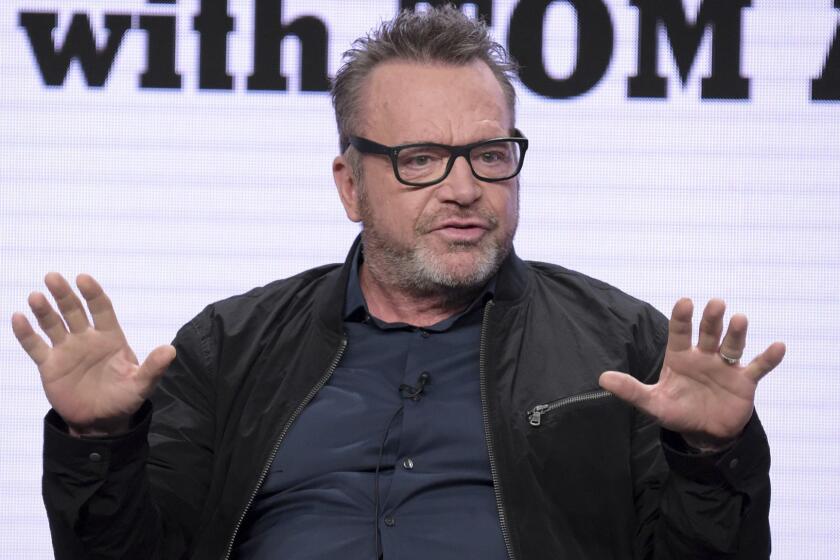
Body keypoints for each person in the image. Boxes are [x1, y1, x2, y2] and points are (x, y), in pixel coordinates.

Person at [12, 6, 785, 560]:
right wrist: (98, 443)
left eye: (490, 154)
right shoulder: (230, 346)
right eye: (420, 158)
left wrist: (710, 458)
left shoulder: (622, 346)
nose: (464, 188)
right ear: (350, 185)